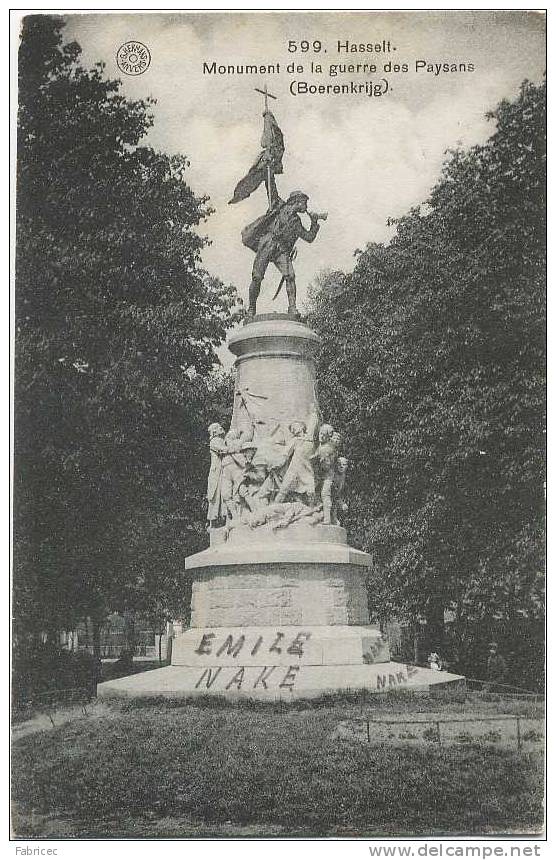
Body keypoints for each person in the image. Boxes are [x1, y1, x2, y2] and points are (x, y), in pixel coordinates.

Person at [242, 190, 321, 317]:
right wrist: (270, 171)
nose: (306, 206)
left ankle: (292, 308)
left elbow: (309, 237)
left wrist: (314, 223)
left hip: (281, 250)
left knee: (290, 275)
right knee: (257, 277)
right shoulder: (278, 204)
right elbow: (270, 188)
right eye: (305, 203)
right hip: (267, 244)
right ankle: (251, 308)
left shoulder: (296, 222)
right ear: (298, 201)